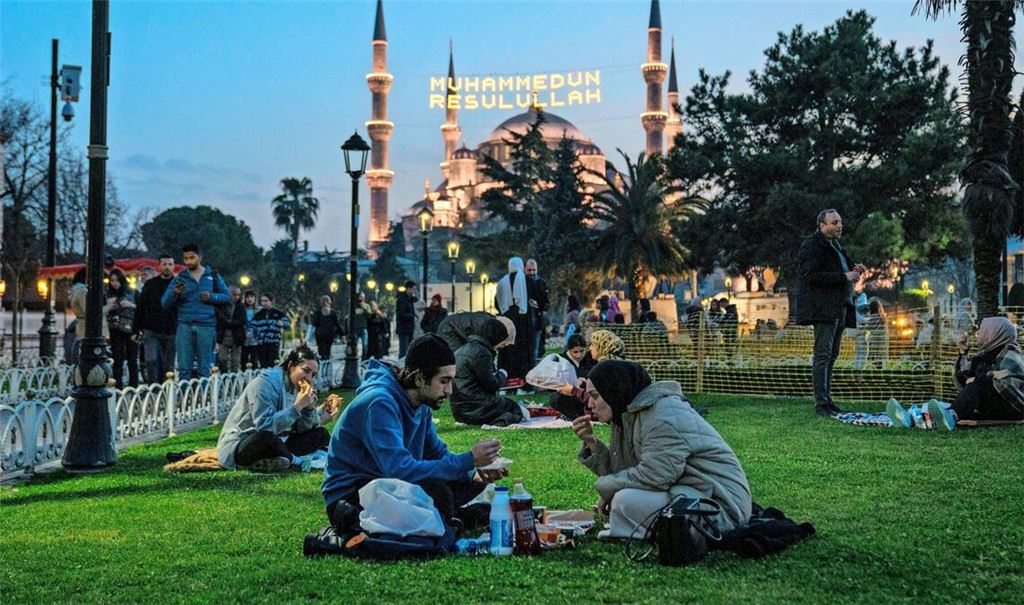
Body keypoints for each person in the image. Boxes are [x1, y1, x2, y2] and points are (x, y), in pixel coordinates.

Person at [321, 334, 506, 531]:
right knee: (437, 491)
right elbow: (399, 470)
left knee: (469, 483)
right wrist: (468, 459)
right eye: (444, 381)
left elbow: (437, 453)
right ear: (419, 379)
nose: (449, 390)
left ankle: (449, 517)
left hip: (389, 486)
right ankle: (453, 518)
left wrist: (474, 472)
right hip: (350, 497)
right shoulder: (379, 403)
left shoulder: (422, 404)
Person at [571, 360, 752, 539]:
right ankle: (636, 527)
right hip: (688, 494)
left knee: (624, 500)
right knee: (623, 498)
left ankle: (643, 530)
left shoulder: (662, 415)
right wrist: (592, 442)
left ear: (614, 391)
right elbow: (623, 473)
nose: (590, 405)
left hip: (721, 509)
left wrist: (606, 487)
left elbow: (656, 475)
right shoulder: (627, 415)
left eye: (595, 396)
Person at [217, 346, 341, 472]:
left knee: (321, 434)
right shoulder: (264, 384)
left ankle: (283, 458)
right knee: (267, 437)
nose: (309, 378)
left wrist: (309, 408)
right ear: (291, 366)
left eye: (313, 375)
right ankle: (297, 461)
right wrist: (297, 406)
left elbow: (303, 429)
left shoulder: (297, 387)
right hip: (245, 444)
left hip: (280, 443)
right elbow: (266, 427)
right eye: (306, 370)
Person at [890, 317, 1024, 431]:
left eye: (982, 330)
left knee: (972, 390)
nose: (977, 333)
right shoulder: (987, 354)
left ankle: (950, 416)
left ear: (994, 333)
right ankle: (912, 419)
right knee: (942, 406)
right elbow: (965, 380)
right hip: (992, 406)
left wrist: (979, 381)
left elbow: (1009, 386)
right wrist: (963, 352)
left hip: (1013, 409)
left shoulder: (1011, 355)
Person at [795, 209, 864, 417]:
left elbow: (843, 271)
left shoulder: (836, 246)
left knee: (832, 355)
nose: (839, 226)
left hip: (840, 307)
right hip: (824, 309)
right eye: (834, 223)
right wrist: (844, 276)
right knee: (823, 356)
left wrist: (854, 270)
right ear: (822, 225)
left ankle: (827, 400)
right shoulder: (813, 245)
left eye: (840, 222)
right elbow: (811, 275)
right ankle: (821, 403)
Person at [161, 243, 230, 379]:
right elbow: (165, 303)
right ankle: (185, 392)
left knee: (204, 369)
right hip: (184, 326)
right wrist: (174, 293)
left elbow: (227, 296)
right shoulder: (180, 278)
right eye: (185, 258)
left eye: (192, 258)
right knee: (184, 369)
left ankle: (203, 392)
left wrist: (212, 297)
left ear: (200, 257)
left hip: (206, 326)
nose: (188, 261)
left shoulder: (213, 276)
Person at [451, 318, 526, 426]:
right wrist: (502, 374)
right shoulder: (482, 353)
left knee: (503, 404)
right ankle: (498, 423)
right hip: (476, 408)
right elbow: (492, 385)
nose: (502, 345)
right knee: (514, 407)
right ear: (495, 336)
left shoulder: (461, 350)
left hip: (459, 410)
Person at [132, 255, 177, 382]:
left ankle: (165, 389)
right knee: (151, 360)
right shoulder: (150, 284)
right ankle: (154, 388)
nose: (167, 267)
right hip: (151, 329)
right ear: (159, 266)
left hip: (171, 330)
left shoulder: (178, 285)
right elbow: (141, 307)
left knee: (168, 365)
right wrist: (136, 329)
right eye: (164, 264)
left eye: (170, 264)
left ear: (173, 266)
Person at [495, 257, 531, 383]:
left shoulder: (502, 282)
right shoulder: (526, 280)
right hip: (523, 322)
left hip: (507, 322)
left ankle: (506, 379)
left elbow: (497, 302)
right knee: (522, 352)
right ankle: (522, 380)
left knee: (507, 351)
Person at [106, 269, 139, 388]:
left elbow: (141, 309)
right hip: (115, 329)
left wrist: (130, 305)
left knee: (132, 358)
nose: (115, 283)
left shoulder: (132, 292)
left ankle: (133, 386)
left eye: (117, 280)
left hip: (131, 328)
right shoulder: (107, 294)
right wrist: (109, 306)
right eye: (112, 281)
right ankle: (117, 386)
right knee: (117, 358)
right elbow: (102, 311)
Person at [550, 333, 591, 419]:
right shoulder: (561, 360)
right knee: (555, 398)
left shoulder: (590, 359)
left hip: (585, 394)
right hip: (567, 394)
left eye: (582, 351)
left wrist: (585, 380)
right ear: (569, 350)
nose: (579, 355)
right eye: (575, 352)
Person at [436, 311, 509, 354]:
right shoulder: (484, 327)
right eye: (503, 343)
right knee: (460, 358)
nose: (502, 346)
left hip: (452, 327)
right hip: (449, 330)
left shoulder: (488, 323)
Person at [250, 293, 290, 368]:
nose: (263, 303)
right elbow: (252, 327)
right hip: (261, 344)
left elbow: (287, 323)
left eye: (266, 301)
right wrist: (252, 334)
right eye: (262, 301)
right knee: (263, 365)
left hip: (274, 343)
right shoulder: (258, 314)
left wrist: (282, 323)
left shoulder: (278, 313)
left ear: (271, 301)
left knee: (273, 364)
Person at [216, 286, 247, 373]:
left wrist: (229, 323)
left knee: (235, 361)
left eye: (238, 295)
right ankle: (224, 375)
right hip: (223, 336)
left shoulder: (241, 306)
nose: (236, 297)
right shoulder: (222, 305)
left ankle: (233, 378)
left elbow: (242, 321)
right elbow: (220, 319)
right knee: (222, 359)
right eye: (234, 295)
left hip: (237, 337)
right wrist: (231, 322)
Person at [525, 259, 550, 365]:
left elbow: (546, 303)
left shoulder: (541, 283)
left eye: (534, 270)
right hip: (526, 321)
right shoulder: (522, 283)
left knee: (535, 351)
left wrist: (539, 304)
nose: (532, 272)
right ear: (525, 269)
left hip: (536, 321)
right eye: (529, 270)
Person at [310, 295, 344, 360]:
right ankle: (327, 361)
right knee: (328, 349)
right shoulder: (333, 312)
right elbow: (337, 324)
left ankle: (323, 360)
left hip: (320, 334)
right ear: (329, 302)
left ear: (321, 302)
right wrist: (342, 334)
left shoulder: (318, 312)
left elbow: (314, 323)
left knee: (321, 350)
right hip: (330, 333)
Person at [395, 280, 418, 358]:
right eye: (413, 289)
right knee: (403, 350)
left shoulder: (409, 299)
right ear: (408, 289)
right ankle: (401, 364)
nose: (415, 291)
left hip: (409, 328)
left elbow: (416, 300)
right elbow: (401, 313)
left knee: (408, 350)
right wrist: (412, 317)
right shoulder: (402, 299)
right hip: (403, 328)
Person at [240, 290, 260, 369]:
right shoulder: (241, 309)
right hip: (244, 338)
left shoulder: (259, 310)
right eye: (247, 297)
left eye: (251, 297)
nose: (249, 299)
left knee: (254, 360)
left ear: (255, 298)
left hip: (255, 339)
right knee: (243, 359)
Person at [354, 292, 372, 361]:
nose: (362, 298)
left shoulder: (367, 306)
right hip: (355, 328)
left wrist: (364, 308)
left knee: (365, 345)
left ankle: (364, 360)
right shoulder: (354, 306)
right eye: (361, 296)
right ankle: (354, 359)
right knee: (354, 345)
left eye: (363, 296)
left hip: (363, 328)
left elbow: (369, 316)